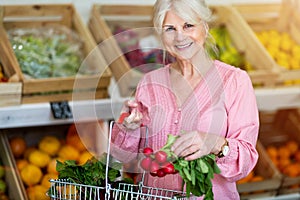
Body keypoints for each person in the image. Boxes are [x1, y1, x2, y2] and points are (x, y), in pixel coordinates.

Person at [110, 0, 259, 199]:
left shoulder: (234, 81)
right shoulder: (149, 83)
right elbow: (124, 158)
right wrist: (128, 129)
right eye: (170, 28)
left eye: (188, 25)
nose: (180, 37)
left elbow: (246, 161)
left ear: (204, 28)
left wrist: (215, 143)